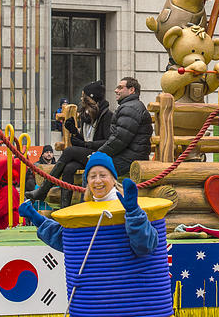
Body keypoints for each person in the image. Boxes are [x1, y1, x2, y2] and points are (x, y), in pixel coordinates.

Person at [18, 152, 157, 255]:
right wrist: (36, 218)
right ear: (87, 182)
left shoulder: (128, 205)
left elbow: (146, 246)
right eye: (92, 176)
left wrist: (134, 213)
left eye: (103, 175)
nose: (97, 181)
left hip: (126, 285)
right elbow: (68, 241)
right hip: (95, 287)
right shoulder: (86, 210)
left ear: (113, 178)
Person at [26, 82, 113, 208]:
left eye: (84, 96)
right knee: (68, 169)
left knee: (69, 151)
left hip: (100, 154)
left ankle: (43, 190)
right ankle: (65, 208)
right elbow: (85, 139)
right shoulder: (85, 115)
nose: (81, 99)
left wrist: (85, 143)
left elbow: (107, 141)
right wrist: (74, 131)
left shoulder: (107, 116)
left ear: (91, 98)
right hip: (88, 154)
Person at [99, 77, 153, 177]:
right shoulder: (129, 106)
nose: (116, 90)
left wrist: (100, 153)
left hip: (130, 158)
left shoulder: (130, 108)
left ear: (131, 90)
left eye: (120, 87)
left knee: (95, 171)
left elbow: (120, 139)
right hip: (130, 155)